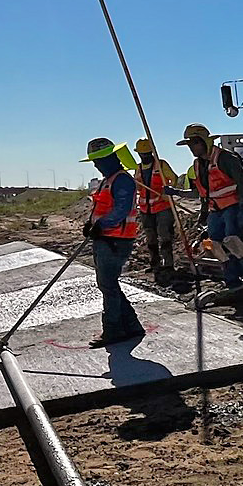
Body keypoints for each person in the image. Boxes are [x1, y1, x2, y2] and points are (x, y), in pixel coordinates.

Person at [178, 122, 243, 290]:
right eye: (190, 144)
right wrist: (203, 215)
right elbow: (204, 194)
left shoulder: (224, 158)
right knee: (212, 244)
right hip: (217, 210)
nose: (192, 148)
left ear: (205, 141)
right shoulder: (198, 165)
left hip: (234, 206)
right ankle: (232, 280)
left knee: (232, 241)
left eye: (195, 143)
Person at [80, 138, 145, 346]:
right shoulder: (108, 180)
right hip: (106, 237)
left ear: (111, 158)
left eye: (99, 160)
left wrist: (102, 225)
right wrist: (91, 223)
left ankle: (113, 330)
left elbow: (122, 210)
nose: (96, 165)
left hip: (115, 240)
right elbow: (103, 208)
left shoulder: (122, 180)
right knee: (109, 284)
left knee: (107, 285)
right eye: (95, 161)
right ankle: (132, 326)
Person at [132, 137, 183, 283]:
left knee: (165, 236)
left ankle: (168, 264)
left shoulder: (160, 165)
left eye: (147, 153)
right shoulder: (139, 168)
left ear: (152, 152)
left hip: (162, 206)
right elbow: (139, 187)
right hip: (145, 208)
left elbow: (173, 179)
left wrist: (167, 190)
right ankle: (155, 264)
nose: (145, 156)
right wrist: (136, 184)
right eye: (143, 154)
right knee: (151, 238)